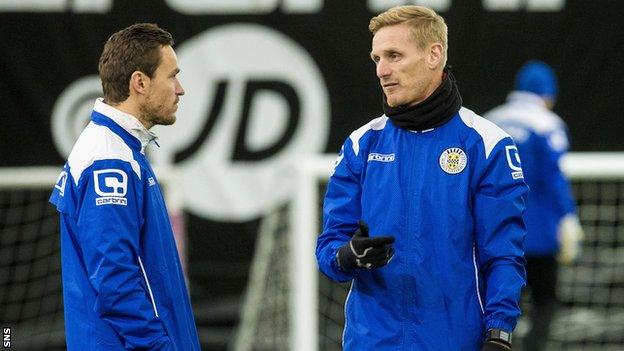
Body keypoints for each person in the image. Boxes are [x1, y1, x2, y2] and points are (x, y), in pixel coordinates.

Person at [316, 5, 528, 350]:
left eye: (394, 56)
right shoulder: (361, 144)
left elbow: (503, 253)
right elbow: (330, 246)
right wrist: (346, 256)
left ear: (434, 54)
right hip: (371, 342)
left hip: (455, 341)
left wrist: (499, 333)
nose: (382, 70)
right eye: (376, 59)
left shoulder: (488, 145)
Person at [49, 23, 200, 350]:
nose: (180, 88)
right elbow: (115, 280)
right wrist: (161, 347)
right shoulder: (109, 160)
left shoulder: (119, 148)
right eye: (172, 75)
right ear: (140, 82)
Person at [485, 60, 584, 351]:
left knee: (495, 307)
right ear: (548, 94)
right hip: (538, 234)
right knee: (544, 303)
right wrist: (568, 220)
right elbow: (554, 179)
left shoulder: (491, 121)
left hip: (496, 234)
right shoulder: (547, 124)